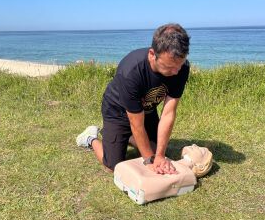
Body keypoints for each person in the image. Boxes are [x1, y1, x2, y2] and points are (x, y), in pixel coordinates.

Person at [76, 23, 190, 174]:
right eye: (168, 67)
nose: (175, 72)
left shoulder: (181, 68)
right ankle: (90, 138)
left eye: (179, 65)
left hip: (146, 110)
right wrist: (149, 161)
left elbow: (168, 113)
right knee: (113, 166)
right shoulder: (131, 71)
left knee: (157, 151)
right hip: (117, 111)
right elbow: (136, 123)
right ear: (152, 54)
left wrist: (160, 156)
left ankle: (125, 137)